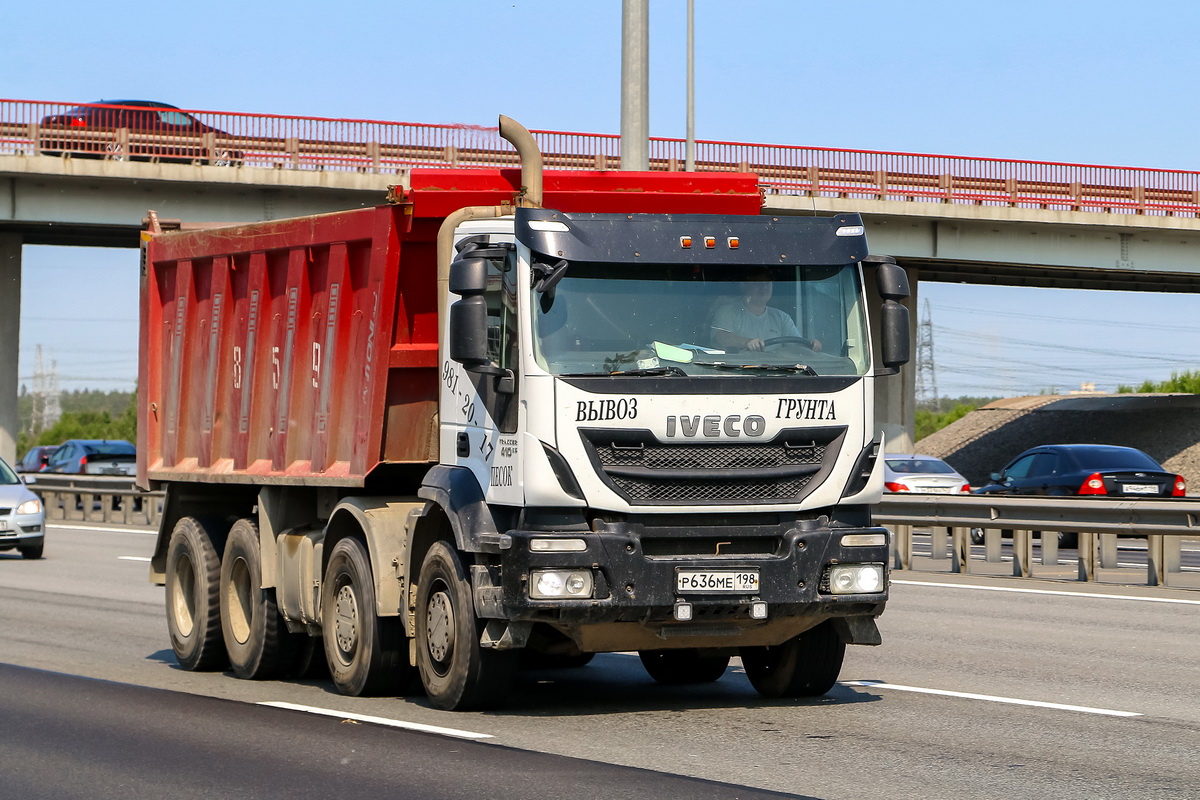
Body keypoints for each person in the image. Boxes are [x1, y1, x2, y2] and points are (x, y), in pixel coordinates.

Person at [709, 269, 822, 352]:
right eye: (759, 283)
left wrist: (810, 346)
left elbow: (796, 346)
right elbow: (721, 337)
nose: (764, 287)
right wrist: (747, 342)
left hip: (777, 373)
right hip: (738, 372)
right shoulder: (728, 311)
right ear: (745, 286)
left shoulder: (782, 317)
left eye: (768, 283)